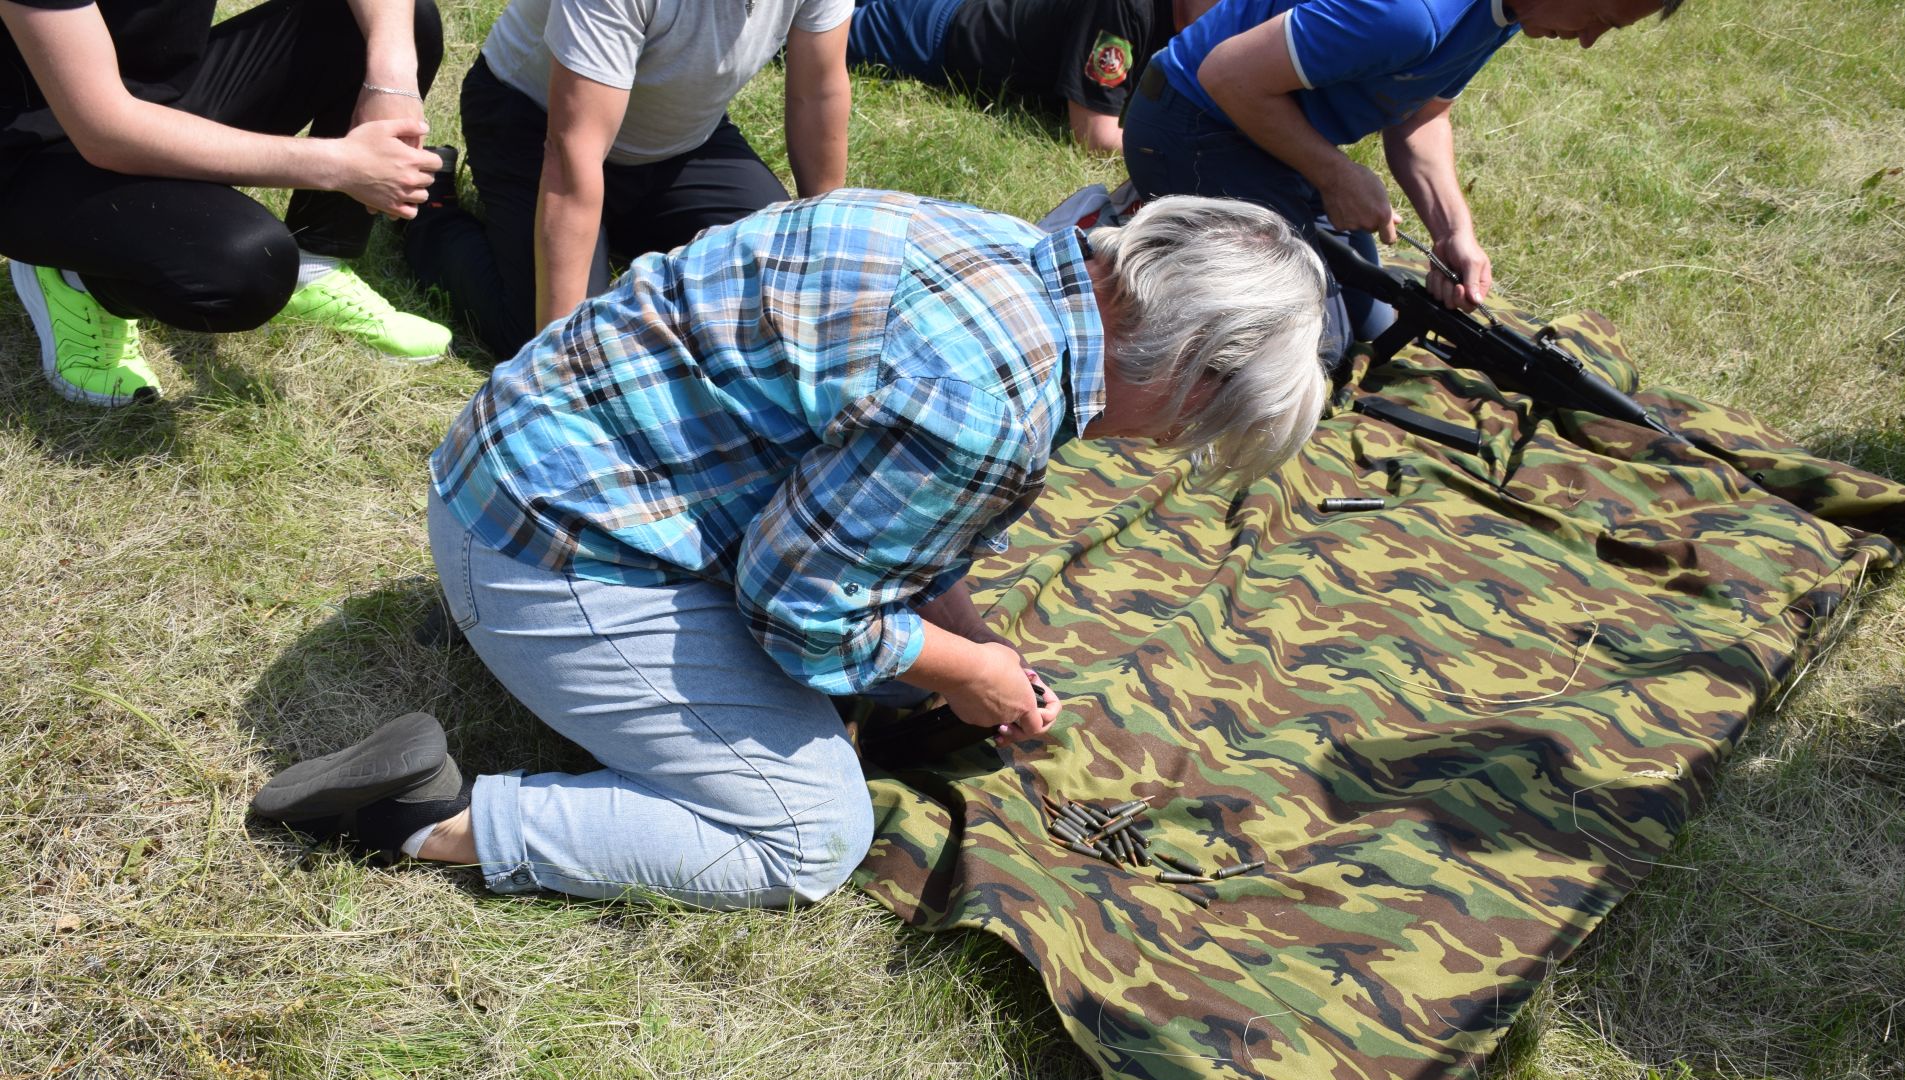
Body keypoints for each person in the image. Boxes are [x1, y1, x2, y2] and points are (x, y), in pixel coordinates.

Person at [253, 188, 1327, 909]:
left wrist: (970, 643)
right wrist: (972, 669)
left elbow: (862, 501)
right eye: (1198, 429)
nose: (1168, 448)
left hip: (514, 470)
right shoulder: (989, 402)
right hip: (549, 553)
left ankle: (524, 654)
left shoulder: (999, 251)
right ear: (1193, 367)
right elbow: (798, 609)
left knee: (901, 679)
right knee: (809, 834)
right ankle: (432, 816)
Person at [1123, 0, 1681, 356]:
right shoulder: (1409, 14)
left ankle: (1200, 236)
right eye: (1601, 20)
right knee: (1304, 348)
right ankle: (1138, 239)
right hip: (1187, 122)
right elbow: (1225, 74)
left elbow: (1422, 116)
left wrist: (1453, 229)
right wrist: (1335, 174)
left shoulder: (1507, 12)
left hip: (1271, 139)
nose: (1588, 42)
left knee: (1374, 320)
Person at [0, 0, 452, 409]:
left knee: (399, 22)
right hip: (30, 152)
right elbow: (105, 133)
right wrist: (341, 165)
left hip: (154, 95)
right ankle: (77, 276)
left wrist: (391, 82)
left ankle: (315, 263)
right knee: (244, 268)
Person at [403, 0, 853, 363]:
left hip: (682, 144)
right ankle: (429, 205)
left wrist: (825, 248)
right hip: (533, 123)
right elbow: (570, 153)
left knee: (773, 273)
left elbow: (817, 92)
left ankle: (609, 231)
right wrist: (558, 368)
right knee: (540, 334)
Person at [845, 0, 1210, 153]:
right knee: (804, 32)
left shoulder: (1201, 31)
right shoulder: (1126, 8)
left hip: (965, 13)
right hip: (941, 36)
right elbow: (1094, 135)